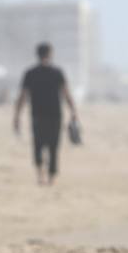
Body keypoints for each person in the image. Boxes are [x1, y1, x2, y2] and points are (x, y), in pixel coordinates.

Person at [13, 42, 79, 185]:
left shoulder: (30, 73)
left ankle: (40, 176)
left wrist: (17, 116)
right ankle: (51, 177)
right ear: (50, 54)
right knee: (53, 146)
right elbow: (66, 94)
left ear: (37, 54)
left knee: (38, 145)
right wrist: (73, 111)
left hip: (38, 115)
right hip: (55, 115)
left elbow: (22, 97)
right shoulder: (57, 72)